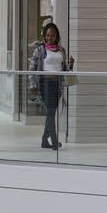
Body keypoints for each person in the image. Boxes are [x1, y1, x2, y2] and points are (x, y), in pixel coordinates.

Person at [29, 22, 74, 150]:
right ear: (44, 36)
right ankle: (54, 141)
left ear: (57, 37)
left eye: (52, 35)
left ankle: (44, 140)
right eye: (47, 35)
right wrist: (32, 85)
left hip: (57, 85)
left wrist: (70, 65)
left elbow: (65, 70)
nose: (50, 37)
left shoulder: (62, 50)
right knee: (50, 112)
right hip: (45, 83)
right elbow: (32, 68)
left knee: (51, 113)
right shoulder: (40, 49)